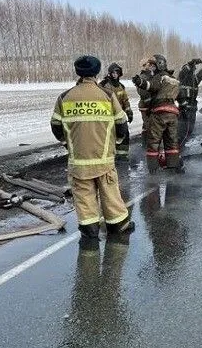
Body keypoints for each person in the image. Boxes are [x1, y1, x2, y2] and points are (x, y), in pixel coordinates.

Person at [50, 55, 135, 250]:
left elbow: (55, 126)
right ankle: (119, 226)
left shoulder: (64, 97)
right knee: (111, 196)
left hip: (78, 162)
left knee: (84, 198)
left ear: (78, 72)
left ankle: (90, 232)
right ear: (97, 73)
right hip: (104, 160)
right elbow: (122, 124)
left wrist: (67, 143)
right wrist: (115, 143)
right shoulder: (106, 95)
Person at [132, 54, 181, 173]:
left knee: (153, 142)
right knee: (172, 142)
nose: (151, 68)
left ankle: (153, 169)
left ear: (159, 65)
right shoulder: (173, 79)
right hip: (173, 113)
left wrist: (139, 82)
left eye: (153, 66)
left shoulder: (160, 77)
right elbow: (180, 95)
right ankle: (173, 166)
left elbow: (150, 86)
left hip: (159, 113)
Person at [99, 63, 134, 159]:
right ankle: (107, 156)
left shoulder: (121, 86)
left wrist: (129, 112)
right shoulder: (102, 85)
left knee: (124, 133)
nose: (115, 75)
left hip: (119, 115)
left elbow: (125, 101)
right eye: (113, 72)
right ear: (110, 73)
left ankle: (122, 156)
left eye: (117, 73)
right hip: (107, 116)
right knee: (108, 136)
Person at [177, 58, 202, 147]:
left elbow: (201, 74)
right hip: (185, 107)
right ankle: (178, 147)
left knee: (190, 128)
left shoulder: (194, 80)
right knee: (183, 129)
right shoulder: (182, 77)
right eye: (192, 68)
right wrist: (191, 63)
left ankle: (182, 145)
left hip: (192, 106)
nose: (194, 70)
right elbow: (185, 70)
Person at [135, 58, 155, 145]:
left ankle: (145, 143)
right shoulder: (143, 77)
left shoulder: (149, 76)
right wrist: (150, 103)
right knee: (149, 125)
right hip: (146, 106)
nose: (150, 66)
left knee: (147, 125)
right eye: (148, 64)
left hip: (148, 105)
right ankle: (147, 145)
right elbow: (142, 92)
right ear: (144, 66)